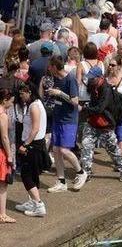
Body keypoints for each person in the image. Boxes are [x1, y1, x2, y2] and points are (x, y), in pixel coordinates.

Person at [78, 69, 122, 184]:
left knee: (112, 149)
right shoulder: (93, 87)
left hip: (105, 124)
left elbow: (100, 108)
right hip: (92, 123)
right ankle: (86, 172)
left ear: (100, 78)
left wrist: (84, 109)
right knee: (86, 145)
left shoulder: (106, 90)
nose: (90, 80)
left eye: (93, 78)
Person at [44, 56, 85, 193]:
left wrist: (60, 93)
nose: (48, 68)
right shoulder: (54, 79)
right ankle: (61, 181)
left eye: (50, 66)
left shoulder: (70, 79)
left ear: (55, 66)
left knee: (64, 150)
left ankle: (80, 172)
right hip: (57, 118)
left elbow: (75, 101)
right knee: (56, 150)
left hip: (68, 120)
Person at [15, 84, 48, 217]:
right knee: (33, 174)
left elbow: (35, 128)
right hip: (35, 144)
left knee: (26, 175)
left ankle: (39, 204)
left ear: (29, 92)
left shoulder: (34, 106)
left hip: (33, 145)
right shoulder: (36, 103)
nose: (21, 96)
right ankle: (32, 201)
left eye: (22, 93)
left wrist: (26, 145)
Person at [0, 89, 13, 223]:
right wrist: (9, 155)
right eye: (11, 101)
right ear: (5, 100)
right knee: (3, 184)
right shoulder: (3, 115)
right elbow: (4, 137)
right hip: (0, 152)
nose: (12, 103)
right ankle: (2, 214)